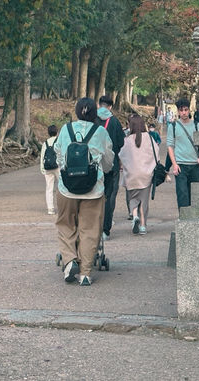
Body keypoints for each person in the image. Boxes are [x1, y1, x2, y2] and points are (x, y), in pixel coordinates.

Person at [54, 98, 113, 286]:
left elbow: (57, 152)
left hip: (66, 188)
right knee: (90, 229)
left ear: (77, 111)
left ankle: (70, 261)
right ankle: (86, 273)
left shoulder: (65, 129)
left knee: (65, 224)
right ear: (94, 113)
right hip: (93, 189)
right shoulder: (101, 132)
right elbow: (108, 161)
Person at [119, 116, 157, 234]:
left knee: (133, 198)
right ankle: (143, 226)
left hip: (131, 175)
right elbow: (156, 155)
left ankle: (134, 216)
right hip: (146, 174)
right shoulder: (149, 138)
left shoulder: (127, 140)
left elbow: (121, 155)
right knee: (143, 201)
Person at [96, 94, 125, 241]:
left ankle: (92, 226)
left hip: (94, 165)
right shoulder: (114, 121)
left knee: (93, 195)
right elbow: (120, 142)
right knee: (109, 196)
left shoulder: (91, 119)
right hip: (111, 165)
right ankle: (105, 229)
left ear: (99, 104)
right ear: (111, 106)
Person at [167, 97, 199, 211]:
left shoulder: (197, 126)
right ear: (178, 111)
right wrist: (174, 164)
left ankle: (195, 222)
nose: (184, 113)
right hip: (181, 165)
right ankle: (183, 222)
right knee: (182, 195)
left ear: (189, 110)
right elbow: (170, 146)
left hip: (195, 165)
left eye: (186, 110)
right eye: (181, 110)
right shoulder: (173, 127)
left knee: (196, 196)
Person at [39, 124, 59, 216]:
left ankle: (50, 209)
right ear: (57, 132)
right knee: (62, 187)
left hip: (47, 168)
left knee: (49, 188)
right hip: (58, 167)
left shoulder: (45, 143)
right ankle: (62, 206)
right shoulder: (59, 141)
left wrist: (42, 169)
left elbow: (42, 156)